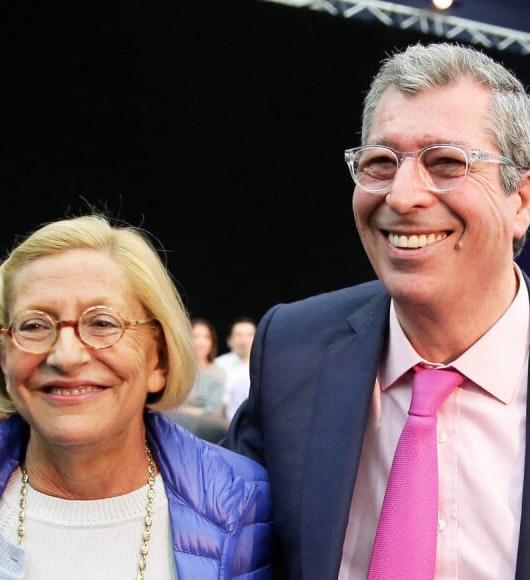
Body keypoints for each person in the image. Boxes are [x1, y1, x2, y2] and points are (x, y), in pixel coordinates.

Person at [223, 41, 530, 579]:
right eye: (381, 163)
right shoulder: (293, 350)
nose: (403, 195)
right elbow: (217, 536)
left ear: (521, 201)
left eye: (446, 163)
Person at [0, 214, 274, 579]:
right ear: (2, 361)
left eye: (102, 323)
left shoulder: (253, 507)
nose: (66, 357)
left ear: (160, 360)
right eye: (35, 325)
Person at [168, 317, 229, 442]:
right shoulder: (173, 368)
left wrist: (185, 409)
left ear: (212, 342)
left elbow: (212, 411)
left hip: (203, 432)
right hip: (172, 426)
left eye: (206, 337)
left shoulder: (219, 373)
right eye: (195, 336)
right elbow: (167, 405)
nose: (200, 342)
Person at [214, 317, 256, 421]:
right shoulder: (218, 364)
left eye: (249, 335)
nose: (244, 340)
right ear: (229, 341)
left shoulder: (266, 364)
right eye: (239, 335)